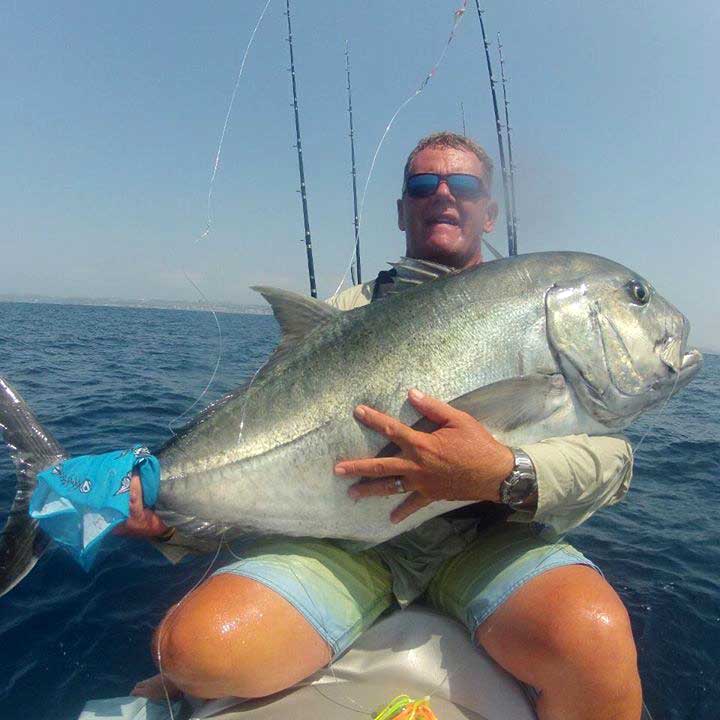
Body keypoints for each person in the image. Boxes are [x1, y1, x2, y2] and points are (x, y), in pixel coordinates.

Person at [122, 132, 642, 720]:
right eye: (423, 185)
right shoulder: (346, 314)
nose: (442, 194)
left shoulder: (537, 309)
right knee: (191, 651)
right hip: (347, 546)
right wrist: (172, 524)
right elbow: (272, 455)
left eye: (463, 184)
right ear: (403, 210)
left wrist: (500, 473)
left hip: (487, 540)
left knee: (594, 642)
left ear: (489, 211)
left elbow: (611, 461)